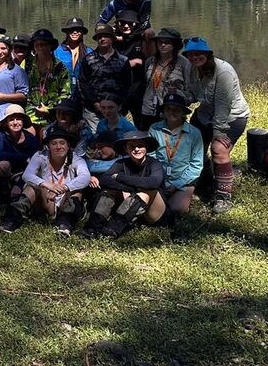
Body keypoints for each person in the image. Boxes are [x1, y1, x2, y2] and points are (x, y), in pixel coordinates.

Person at [183, 37, 249, 214]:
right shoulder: (190, 67)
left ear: (208, 54)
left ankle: (223, 195)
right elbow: (193, 94)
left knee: (219, 148)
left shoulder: (223, 72)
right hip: (205, 114)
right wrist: (182, 97)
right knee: (191, 144)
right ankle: (206, 177)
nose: (194, 58)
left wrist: (218, 133)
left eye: (199, 54)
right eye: (190, 54)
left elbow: (222, 106)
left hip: (231, 116)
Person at [1, 128, 89, 236]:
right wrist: (48, 185)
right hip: (46, 200)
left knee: (77, 190)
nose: (58, 147)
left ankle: (65, 224)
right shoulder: (40, 156)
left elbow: (85, 177)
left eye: (62, 143)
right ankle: (11, 220)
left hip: (64, 201)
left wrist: (64, 188)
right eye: (54, 143)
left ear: (68, 145)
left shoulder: (76, 159)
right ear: (48, 146)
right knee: (32, 187)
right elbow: (27, 175)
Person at [81, 130, 164, 238]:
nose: (136, 149)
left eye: (140, 145)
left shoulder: (154, 163)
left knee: (144, 193)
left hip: (153, 211)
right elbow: (105, 179)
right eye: (132, 146)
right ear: (126, 149)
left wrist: (120, 177)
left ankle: (113, 229)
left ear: (146, 148)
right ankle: (93, 228)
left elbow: (154, 182)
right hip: (130, 207)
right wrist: (127, 189)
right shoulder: (121, 163)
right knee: (108, 191)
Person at [147, 92, 204, 224]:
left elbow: (196, 165)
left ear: (183, 112)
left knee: (176, 209)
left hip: (183, 181)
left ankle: (183, 198)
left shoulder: (194, 133)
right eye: (168, 109)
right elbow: (151, 157)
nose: (172, 112)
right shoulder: (154, 129)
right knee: (151, 212)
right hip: (159, 179)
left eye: (176, 109)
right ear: (164, 111)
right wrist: (158, 179)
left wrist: (177, 184)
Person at [76, 25, 131, 131]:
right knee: (96, 138)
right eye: (99, 37)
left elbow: (127, 85)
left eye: (106, 36)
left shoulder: (123, 60)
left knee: (117, 138)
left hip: (116, 110)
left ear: (112, 38)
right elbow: (83, 83)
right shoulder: (88, 59)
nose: (102, 39)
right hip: (93, 112)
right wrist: (94, 103)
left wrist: (120, 105)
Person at [140, 28, 192, 130]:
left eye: (167, 42)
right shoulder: (150, 61)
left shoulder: (184, 64)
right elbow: (145, 85)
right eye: (160, 42)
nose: (163, 45)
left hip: (172, 111)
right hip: (148, 111)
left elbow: (191, 93)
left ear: (175, 45)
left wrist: (178, 94)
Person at [25, 29, 71, 135]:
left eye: (43, 44)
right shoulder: (27, 63)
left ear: (51, 46)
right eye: (37, 44)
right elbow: (21, 85)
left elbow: (65, 94)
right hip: (30, 109)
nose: (40, 47)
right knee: (28, 136)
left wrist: (49, 110)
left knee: (45, 134)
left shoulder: (60, 67)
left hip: (51, 111)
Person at [0, 104, 41, 180]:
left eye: (18, 119)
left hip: (23, 171)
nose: (15, 122)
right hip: (3, 169)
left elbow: (35, 160)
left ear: (23, 122)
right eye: (11, 119)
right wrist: (23, 157)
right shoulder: (0, 132)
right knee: (3, 164)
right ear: (6, 122)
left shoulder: (31, 139)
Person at [56, 17, 91, 93]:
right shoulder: (57, 52)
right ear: (67, 32)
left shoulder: (89, 52)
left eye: (78, 30)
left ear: (82, 33)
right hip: (62, 92)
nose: (75, 32)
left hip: (83, 93)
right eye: (71, 30)